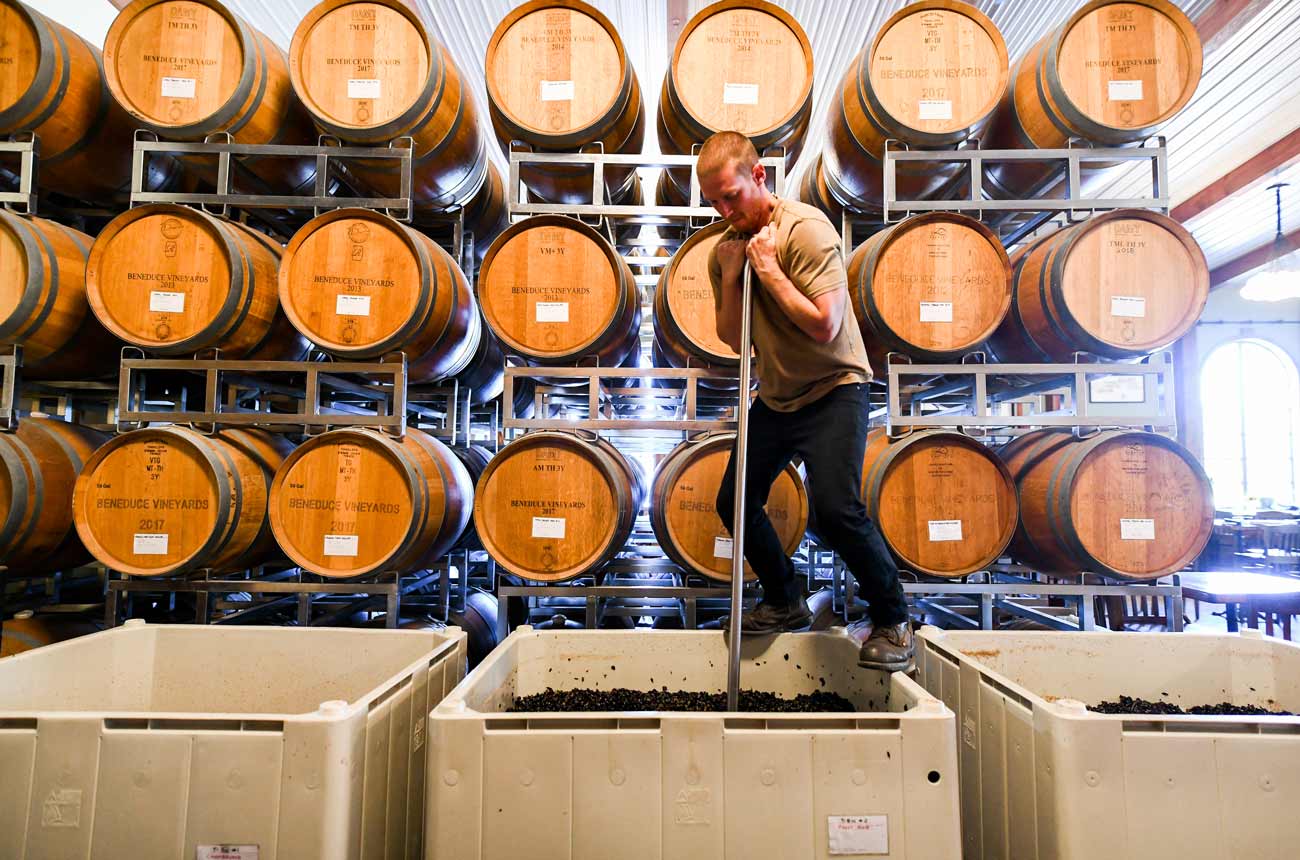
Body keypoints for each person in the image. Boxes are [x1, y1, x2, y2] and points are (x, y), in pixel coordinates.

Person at [700, 131, 913, 672]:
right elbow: (733, 339)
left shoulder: (805, 231)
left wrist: (768, 270)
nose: (727, 211)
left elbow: (825, 326)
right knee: (734, 501)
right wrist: (731, 276)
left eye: (733, 196)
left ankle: (894, 618)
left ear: (759, 177)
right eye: (715, 203)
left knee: (837, 510)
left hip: (836, 387)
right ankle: (785, 598)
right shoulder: (728, 244)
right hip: (779, 395)